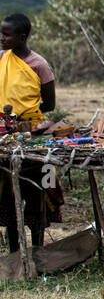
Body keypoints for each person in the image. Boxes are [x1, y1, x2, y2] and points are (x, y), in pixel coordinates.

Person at [0, 13, 57, 254]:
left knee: (37, 193)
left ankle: (37, 249)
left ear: (22, 37)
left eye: (6, 34)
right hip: (5, 132)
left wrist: (25, 114)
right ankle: (14, 252)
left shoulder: (38, 64)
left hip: (33, 133)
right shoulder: (2, 58)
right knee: (8, 198)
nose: (2, 38)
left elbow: (50, 104)